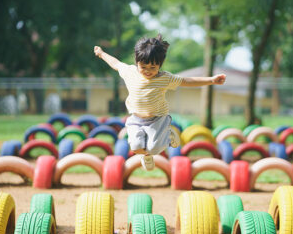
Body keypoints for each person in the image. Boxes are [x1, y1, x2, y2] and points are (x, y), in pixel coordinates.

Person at [94, 34, 226, 171]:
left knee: (154, 148)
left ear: (160, 65)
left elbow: (186, 81)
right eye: (144, 67)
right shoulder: (130, 72)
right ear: (137, 62)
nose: (148, 71)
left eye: (153, 67)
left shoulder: (164, 78)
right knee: (136, 147)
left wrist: (211, 80)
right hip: (136, 119)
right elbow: (115, 63)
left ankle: (168, 135)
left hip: (157, 119)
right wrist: (101, 53)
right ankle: (146, 156)